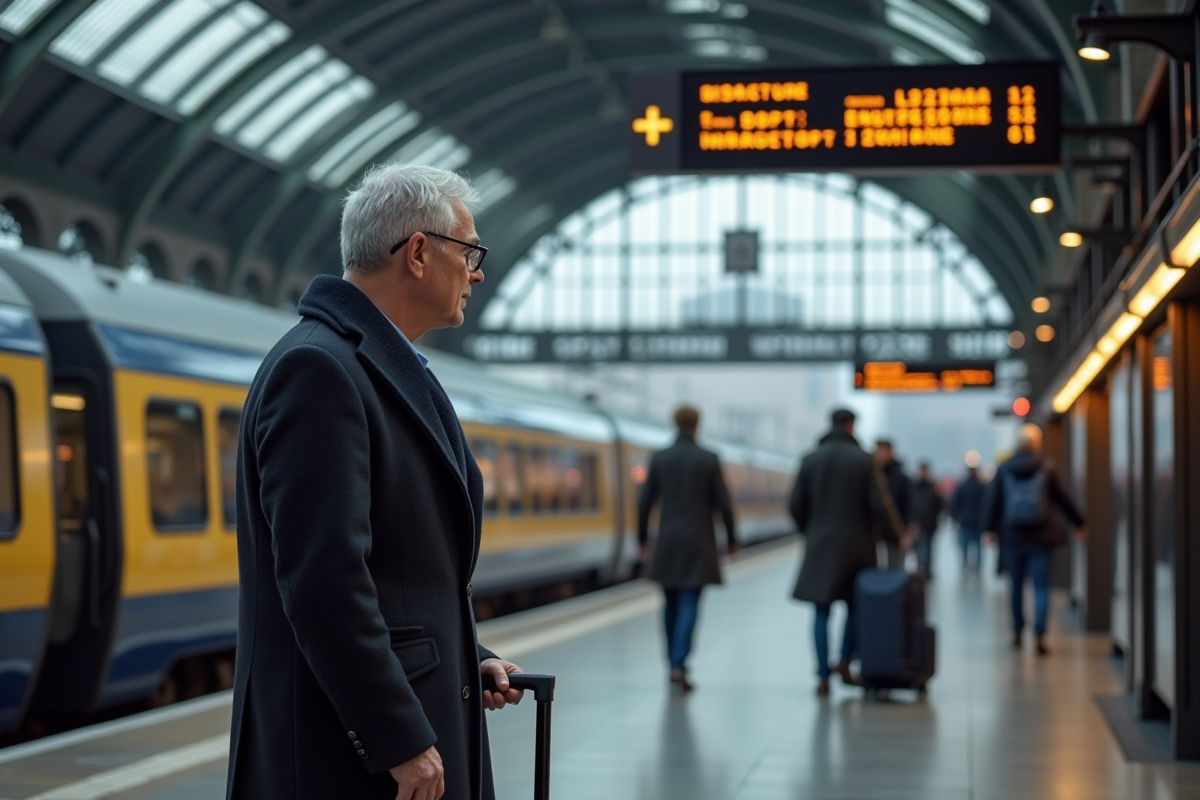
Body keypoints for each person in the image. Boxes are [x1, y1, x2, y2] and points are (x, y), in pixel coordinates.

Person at [227, 163, 524, 800]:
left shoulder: (375, 365)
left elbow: (399, 572)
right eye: (469, 252)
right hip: (347, 762)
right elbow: (324, 581)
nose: (476, 274)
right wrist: (397, 738)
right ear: (418, 253)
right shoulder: (319, 370)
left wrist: (466, 658)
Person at [790, 409, 906, 696]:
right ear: (851, 425)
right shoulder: (865, 460)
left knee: (821, 610)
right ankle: (844, 660)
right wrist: (896, 536)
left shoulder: (809, 459)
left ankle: (821, 675)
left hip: (820, 544)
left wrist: (810, 530)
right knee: (855, 606)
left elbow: (795, 504)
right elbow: (880, 503)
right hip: (857, 545)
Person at [637, 404, 737, 693]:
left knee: (669, 605)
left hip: (667, 541)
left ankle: (671, 662)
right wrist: (732, 539)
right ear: (697, 425)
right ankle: (680, 664)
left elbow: (644, 503)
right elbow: (724, 503)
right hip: (699, 541)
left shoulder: (660, 458)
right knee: (690, 603)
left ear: (675, 423)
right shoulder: (708, 458)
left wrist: (642, 539)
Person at [982, 424, 1086, 656]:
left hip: (1012, 537)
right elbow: (1063, 498)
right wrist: (1079, 522)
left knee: (1016, 585)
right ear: (1036, 443)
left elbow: (993, 500)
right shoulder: (1047, 467)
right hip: (1042, 536)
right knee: (1041, 586)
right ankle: (1039, 633)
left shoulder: (1004, 468)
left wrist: (988, 528)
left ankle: (1017, 632)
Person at [874, 439, 912, 569]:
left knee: (895, 567)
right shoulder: (872, 474)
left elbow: (908, 505)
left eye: (883, 451)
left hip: (896, 530)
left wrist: (905, 530)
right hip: (876, 531)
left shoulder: (901, 477)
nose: (880, 454)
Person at [948, 465, 987, 573]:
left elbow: (954, 503)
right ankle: (977, 566)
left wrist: (954, 517)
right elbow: (987, 505)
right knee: (978, 546)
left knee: (965, 546)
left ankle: (965, 565)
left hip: (965, 521)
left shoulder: (962, 486)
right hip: (978, 522)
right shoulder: (981, 487)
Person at [910, 462, 944, 579]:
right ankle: (920, 568)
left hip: (930, 522)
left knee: (929, 547)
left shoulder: (933, 487)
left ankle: (927, 569)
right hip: (917, 523)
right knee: (918, 547)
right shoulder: (913, 486)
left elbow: (940, 505)